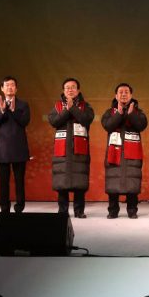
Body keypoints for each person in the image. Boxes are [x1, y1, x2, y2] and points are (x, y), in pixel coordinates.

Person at [47, 78, 94, 218]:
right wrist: (67, 110)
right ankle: (63, 211)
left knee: (79, 182)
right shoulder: (57, 106)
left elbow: (86, 120)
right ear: (63, 91)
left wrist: (72, 107)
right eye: (67, 87)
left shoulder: (86, 106)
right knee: (62, 182)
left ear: (78, 90)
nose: (70, 90)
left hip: (80, 149)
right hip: (62, 150)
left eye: (73, 87)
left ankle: (79, 211)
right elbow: (54, 121)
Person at [101, 83, 148, 219]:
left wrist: (131, 114)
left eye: (126, 92)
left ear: (131, 95)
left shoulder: (138, 112)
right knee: (113, 181)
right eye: (120, 92)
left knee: (132, 181)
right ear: (116, 96)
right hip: (114, 152)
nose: (123, 94)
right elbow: (108, 126)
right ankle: (113, 210)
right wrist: (120, 113)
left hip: (132, 152)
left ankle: (132, 210)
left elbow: (141, 125)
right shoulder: (109, 112)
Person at [0, 76, 31, 214]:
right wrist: (2, 111)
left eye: (12, 85)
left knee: (19, 182)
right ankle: (4, 210)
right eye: (7, 85)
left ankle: (19, 208)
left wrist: (13, 110)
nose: (10, 87)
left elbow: (25, 122)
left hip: (19, 148)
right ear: (2, 88)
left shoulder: (23, 105)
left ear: (16, 88)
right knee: (3, 182)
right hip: (3, 149)